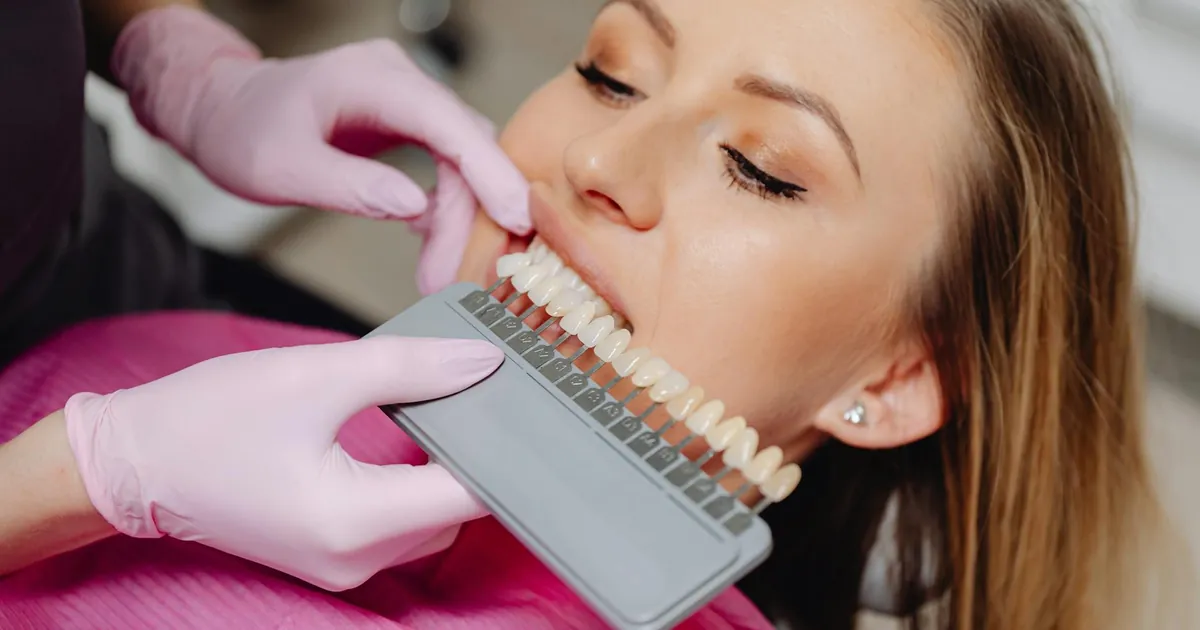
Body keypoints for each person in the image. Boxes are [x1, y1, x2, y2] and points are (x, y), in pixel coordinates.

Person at [0, 0, 1193, 629]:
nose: (604, 155)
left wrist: (162, 41)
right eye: (611, 69)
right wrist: (86, 476)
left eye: (765, 168)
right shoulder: (200, 371)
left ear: (892, 378)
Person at [0, 0, 531, 363]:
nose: (593, 165)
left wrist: (177, 57)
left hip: (125, 265)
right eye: (599, 80)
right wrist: (79, 484)